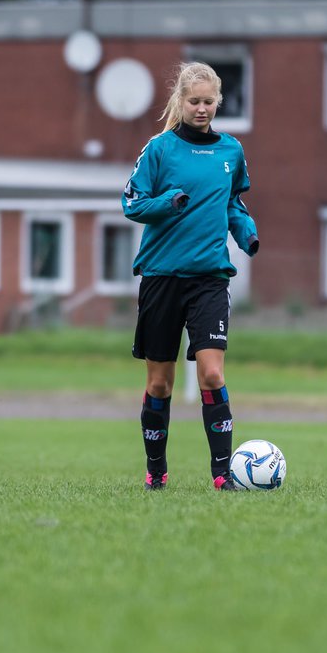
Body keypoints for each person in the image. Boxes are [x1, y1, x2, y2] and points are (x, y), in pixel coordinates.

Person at [121, 62, 260, 491]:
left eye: (208, 101)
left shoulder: (230, 151)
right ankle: (156, 472)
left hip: (210, 280)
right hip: (162, 277)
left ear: (219, 102)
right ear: (180, 102)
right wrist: (168, 202)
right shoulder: (160, 149)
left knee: (212, 374)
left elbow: (231, 202)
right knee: (159, 383)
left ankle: (223, 476)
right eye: (194, 101)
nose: (201, 108)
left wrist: (246, 232)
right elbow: (131, 203)